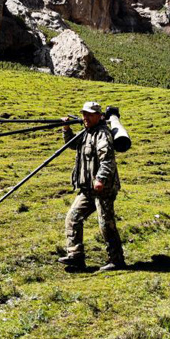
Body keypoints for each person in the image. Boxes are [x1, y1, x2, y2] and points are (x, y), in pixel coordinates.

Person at [58, 102, 126, 271]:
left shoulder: (102, 135)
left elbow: (107, 160)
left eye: (89, 115)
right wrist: (66, 129)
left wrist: (100, 179)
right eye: (84, 114)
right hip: (87, 189)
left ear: (98, 116)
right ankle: (76, 256)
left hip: (103, 189)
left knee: (106, 224)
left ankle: (116, 260)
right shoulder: (86, 133)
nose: (85, 118)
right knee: (72, 217)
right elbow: (73, 145)